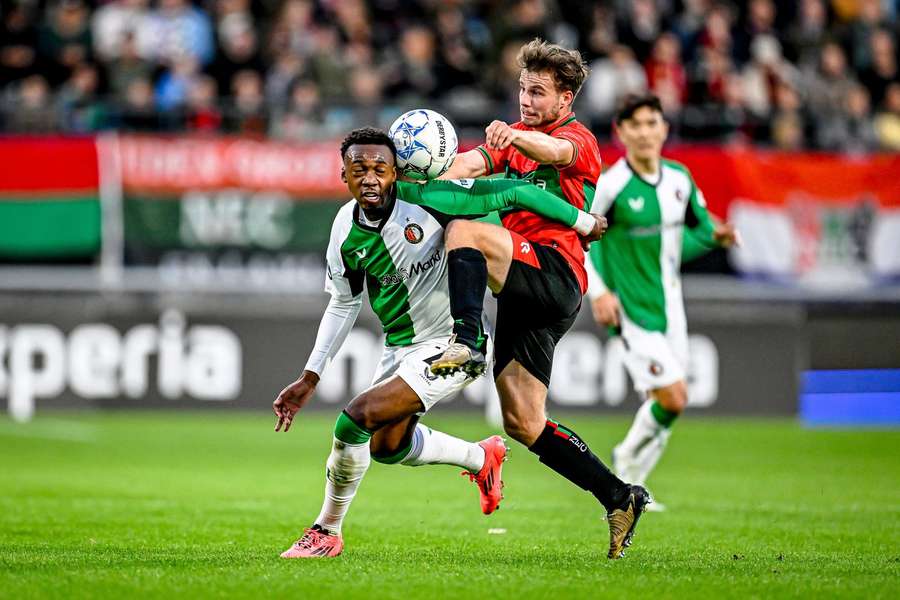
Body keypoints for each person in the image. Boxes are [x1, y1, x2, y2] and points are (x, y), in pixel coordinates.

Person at [273, 127, 606, 558]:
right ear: (344, 175)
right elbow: (343, 305)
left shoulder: (430, 198)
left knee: (355, 420)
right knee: (386, 446)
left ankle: (326, 531)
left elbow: (514, 192)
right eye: (359, 169)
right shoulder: (344, 231)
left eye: (380, 169)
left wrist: (582, 221)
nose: (370, 178)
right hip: (400, 348)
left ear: (397, 173)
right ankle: (480, 458)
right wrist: (310, 376)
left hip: (452, 345)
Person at [431, 38, 647, 560]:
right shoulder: (512, 137)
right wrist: (414, 169)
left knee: (466, 231)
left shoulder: (578, 139)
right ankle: (619, 496)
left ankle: (466, 340)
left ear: (566, 98)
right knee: (524, 422)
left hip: (555, 270)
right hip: (526, 288)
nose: (526, 100)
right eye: (522, 89)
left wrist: (516, 137)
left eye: (538, 92)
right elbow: (464, 166)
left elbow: (553, 153)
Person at [585, 94, 739, 509]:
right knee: (673, 396)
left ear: (664, 129)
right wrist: (598, 292)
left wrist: (719, 234)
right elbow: (579, 240)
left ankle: (635, 484)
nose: (645, 132)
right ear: (621, 132)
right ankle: (625, 467)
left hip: (672, 307)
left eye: (652, 123)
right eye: (634, 124)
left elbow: (701, 226)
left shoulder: (679, 179)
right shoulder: (611, 185)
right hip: (631, 309)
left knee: (668, 403)